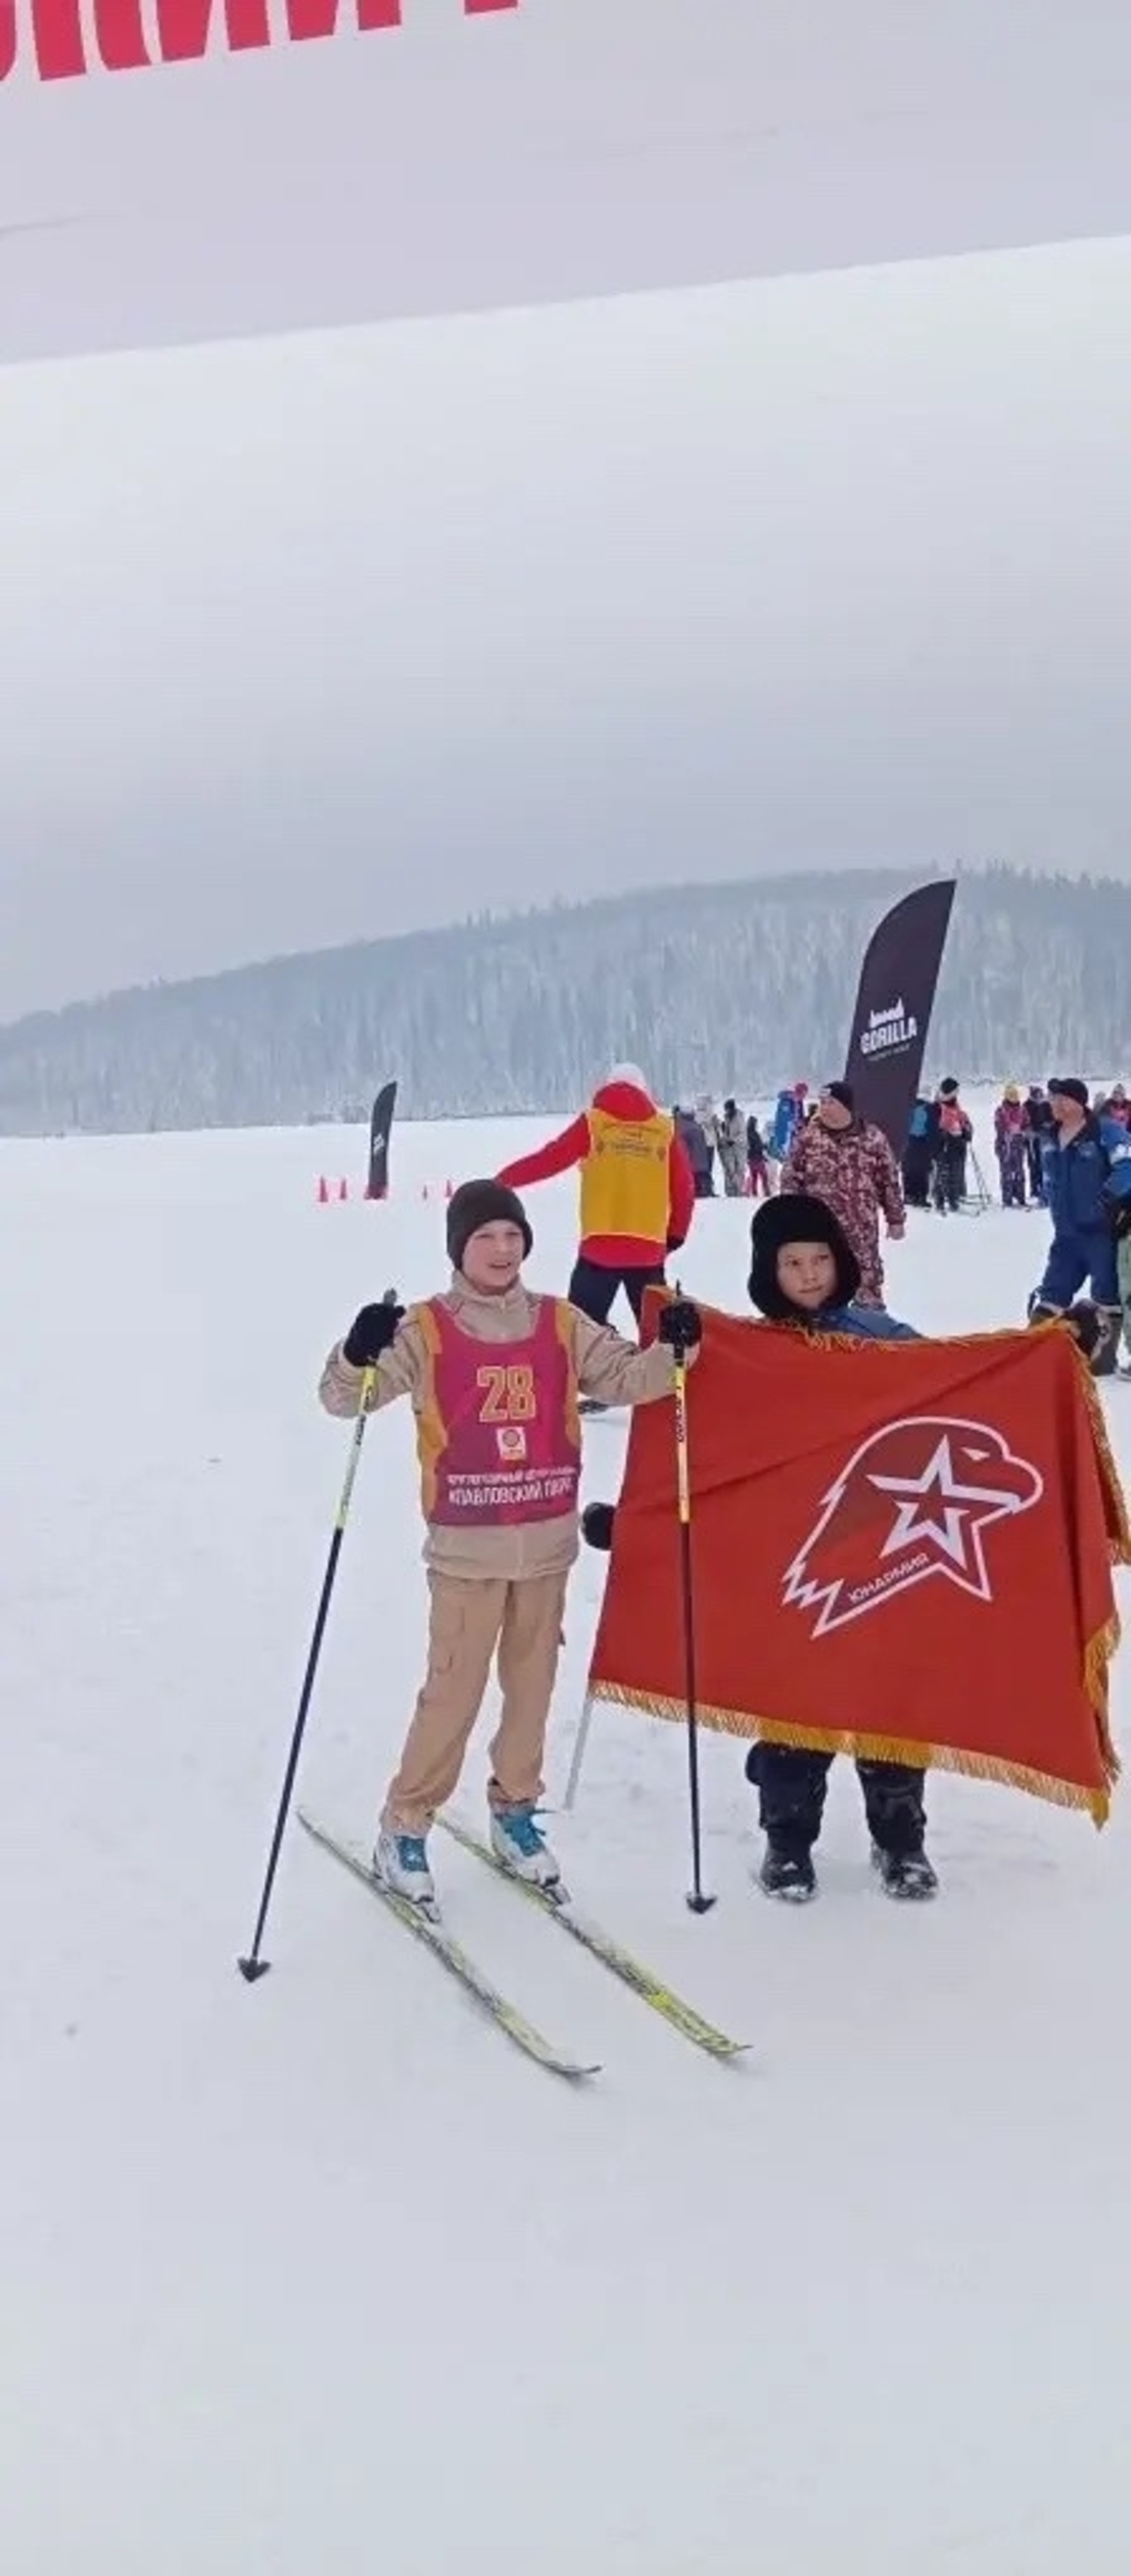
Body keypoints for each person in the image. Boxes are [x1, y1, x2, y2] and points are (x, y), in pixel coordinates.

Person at [581, 1192, 1101, 1904]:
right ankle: (787, 1843)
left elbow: (963, 1387)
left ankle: (901, 1841)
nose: (807, 1273)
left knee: (892, 1708)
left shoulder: (883, 1338)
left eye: (819, 1258)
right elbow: (708, 1461)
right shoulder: (748, 1357)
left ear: (842, 1261)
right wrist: (635, 1521)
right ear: (768, 1270)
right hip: (795, 1578)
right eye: (791, 1262)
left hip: (890, 1571)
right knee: (795, 1711)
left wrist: (1046, 1345)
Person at [318, 1177, 701, 1911]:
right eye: (485, 1238)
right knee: (452, 1694)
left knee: (531, 1692)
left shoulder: (560, 1321)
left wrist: (675, 1350)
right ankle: (404, 1824)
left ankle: (515, 1811)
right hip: (467, 1549)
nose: (501, 1250)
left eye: (512, 1236)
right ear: (459, 1248)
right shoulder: (427, 1328)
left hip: (548, 1544)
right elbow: (346, 1399)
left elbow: (626, 1376)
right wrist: (355, 1352)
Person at [495, 1063, 695, 1336]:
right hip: (648, 1251)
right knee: (661, 1339)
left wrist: (502, 1181)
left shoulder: (594, 1123)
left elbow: (551, 1158)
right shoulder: (664, 1130)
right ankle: (659, 1376)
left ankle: (591, 1371)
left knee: (578, 1336)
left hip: (599, 1250)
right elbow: (684, 1189)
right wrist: (675, 1235)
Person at [1029, 1077, 1131, 1374]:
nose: (1055, 1104)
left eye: (1063, 1099)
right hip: (1066, 1233)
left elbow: (1127, 1168)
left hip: (1100, 1231)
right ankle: (1034, 1351)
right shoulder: (1048, 1135)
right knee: (1052, 1290)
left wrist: (1105, 1202)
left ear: (1079, 1102)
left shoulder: (1105, 1131)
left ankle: (1103, 1359)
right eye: (1053, 1098)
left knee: (1106, 1293)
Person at [779, 1078, 905, 1307]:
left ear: (846, 1106)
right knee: (822, 1289)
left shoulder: (872, 1138)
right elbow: (790, 1178)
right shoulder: (808, 1138)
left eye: (830, 1103)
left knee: (867, 1290)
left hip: (861, 1233)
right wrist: (790, 1219)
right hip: (819, 1233)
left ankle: (870, 1330)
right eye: (822, 1102)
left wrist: (895, 1219)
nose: (823, 1108)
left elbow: (889, 1181)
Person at [932, 1077, 973, 1213]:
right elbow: (933, 1126)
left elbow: (963, 1120)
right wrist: (942, 1134)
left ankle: (953, 1200)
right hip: (943, 1145)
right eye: (956, 1091)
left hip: (956, 1144)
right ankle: (940, 1201)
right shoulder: (937, 1107)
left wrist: (966, 1131)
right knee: (943, 1174)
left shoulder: (955, 1105)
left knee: (955, 1173)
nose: (957, 1093)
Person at [993, 1083, 1028, 1208]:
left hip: (1018, 1145)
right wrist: (1008, 1131)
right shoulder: (1000, 1110)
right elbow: (998, 1127)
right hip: (1004, 1146)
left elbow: (1026, 1124)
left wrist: (1022, 1131)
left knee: (1020, 1172)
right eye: (1012, 1095)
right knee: (1006, 1173)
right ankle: (1007, 1199)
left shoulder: (1023, 1110)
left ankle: (1021, 1197)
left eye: (1016, 1095)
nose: (1014, 1098)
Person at [901, 1095, 937, 1211]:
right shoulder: (929, 1109)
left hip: (908, 1141)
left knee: (909, 1169)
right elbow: (932, 1129)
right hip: (923, 1142)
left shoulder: (907, 1107)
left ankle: (909, 1195)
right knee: (922, 1171)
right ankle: (921, 1197)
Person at [716, 1097, 748, 1196]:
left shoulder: (739, 1117)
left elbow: (742, 1133)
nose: (727, 1111)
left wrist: (733, 1140)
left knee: (740, 1169)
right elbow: (727, 1132)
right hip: (729, 1147)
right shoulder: (727, 1117)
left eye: (728, 1109)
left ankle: (739, 1191)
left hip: (740, 1147)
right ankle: (730, 1192)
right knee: (730, 1169)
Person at [746, 1110, 771, 1199]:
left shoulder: (746, 1134)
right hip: (757, 1159)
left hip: (750, 1159)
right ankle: (767, 1193)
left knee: (754, 1177)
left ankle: (754, 1193)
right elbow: (757, 1147)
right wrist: (764, 1147)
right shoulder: (754, 1134)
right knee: (764, 1176)